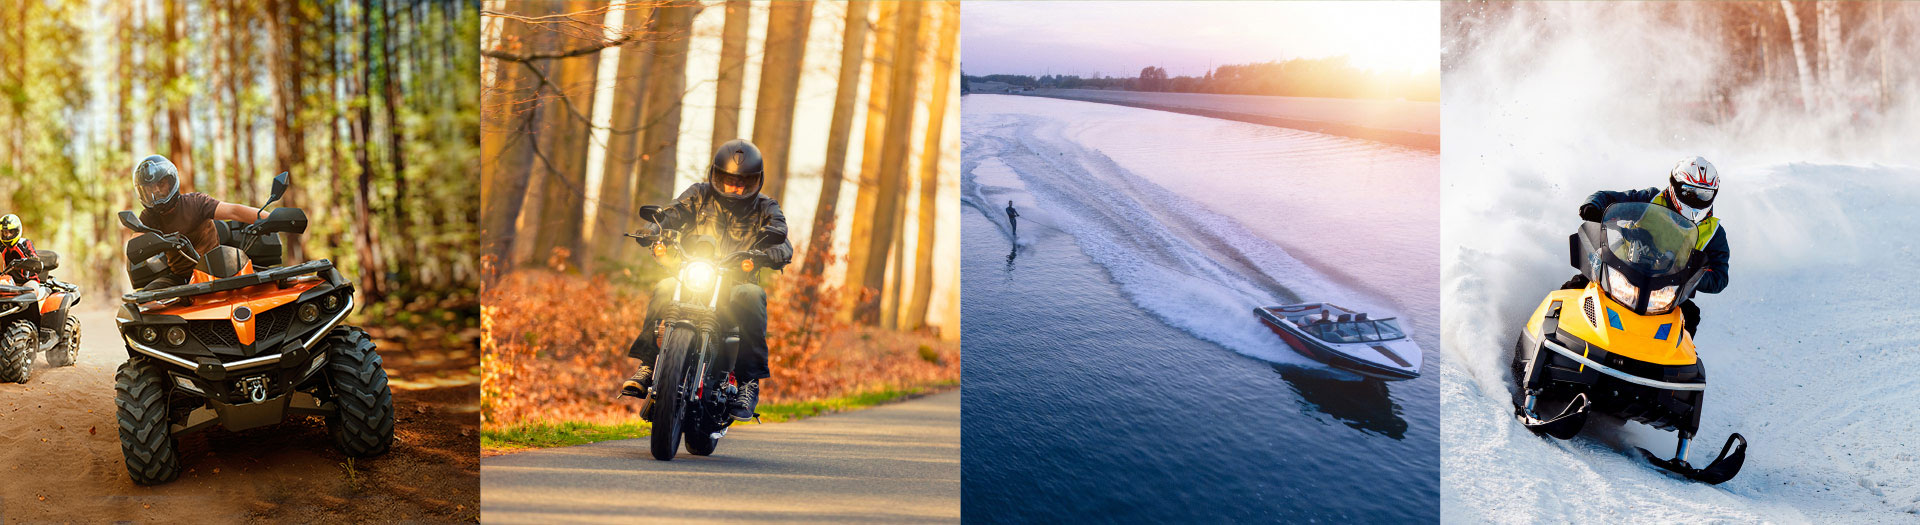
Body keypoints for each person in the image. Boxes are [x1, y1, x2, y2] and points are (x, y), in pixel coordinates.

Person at [620, 139, 793, 421]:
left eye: (743, 182)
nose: (735, 187)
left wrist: (774, 251)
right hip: (693, 274)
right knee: (664, 287)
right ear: (717, 176)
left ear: (755, 182)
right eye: (728, 180)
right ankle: (649, 365)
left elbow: (781, 235)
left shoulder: (765, 206)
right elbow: (672, 213)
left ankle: (748, 382)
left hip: (736, 283)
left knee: (752, 295)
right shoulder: (699, 195)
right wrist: (654, 228)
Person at [1566, 156, 1728, 336]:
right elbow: (1609, 198)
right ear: (1675, 185)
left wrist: (1691, 272)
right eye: (1690, 192)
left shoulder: (1714, 232)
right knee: (1576, 287)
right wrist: (1594, 205)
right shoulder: (1650, 199)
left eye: (1704, 194)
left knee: (1690, 316)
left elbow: (1720, 276)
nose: (1696, 199)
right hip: (1617, 272)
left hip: (1667, 291)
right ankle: (1547, 327)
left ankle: (1678, 359)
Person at [132, 154, 264, 289]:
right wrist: (156, 242)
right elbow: (134, 245)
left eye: (161, 183)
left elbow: (233, 211)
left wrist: (271, 217)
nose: (156, 190)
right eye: (149, 188)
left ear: (171, 181)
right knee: (146, 301)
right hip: (182, 279)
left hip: (218, 269)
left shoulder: (196, 202)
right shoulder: (148, 217)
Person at [0, 214, 38, 284]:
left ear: (17, 231)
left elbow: (35, 261)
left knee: (30, 291)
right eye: (5, 232)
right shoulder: (2, 245)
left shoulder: (25, 243)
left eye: (11, 232)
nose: (7, 236)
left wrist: (25, 262)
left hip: (28, 281)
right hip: (9, 281)